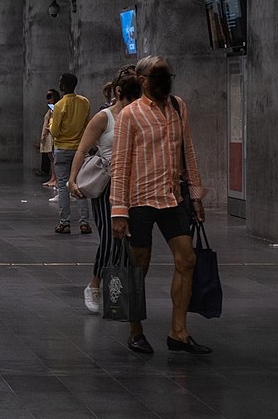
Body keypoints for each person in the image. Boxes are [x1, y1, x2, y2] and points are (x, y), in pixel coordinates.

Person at [110, 56, 210, 356]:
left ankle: (178, 332)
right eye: (158, 76)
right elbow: (120, 164)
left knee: (187, 259)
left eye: (168, 75)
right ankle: (135, 330)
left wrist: (195, 194)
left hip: (172, 197)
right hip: (139, 200)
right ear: (143, 80)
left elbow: (188, 151)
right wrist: (118, 211)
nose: (165, 82)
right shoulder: (130, 115)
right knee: (139, 267)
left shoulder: (178, 106)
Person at [70, 67, 140, 314]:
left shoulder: (138, 115)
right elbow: (82, 149)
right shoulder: (104, 117)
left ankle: (119, 290)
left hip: (133, 183)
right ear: (119, 92)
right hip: (107, 182)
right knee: (110, 238)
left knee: (129, 239)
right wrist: (72, 180)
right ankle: (94, 285)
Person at [50, 73, 92, 235]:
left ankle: (65, 223)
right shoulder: (84, 102)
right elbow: (87, 125)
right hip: (79, 149)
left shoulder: (59, 105)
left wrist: (51, 123)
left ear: (63, 86)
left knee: (63, 186)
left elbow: (55, 132)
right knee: (79, 185)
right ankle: (84, 223)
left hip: (62, 148)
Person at [36, 89, 58, 181]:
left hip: (50, 134)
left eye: (50, 96)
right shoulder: (51, 108)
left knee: (53, 158)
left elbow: (51, 121)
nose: (48, 99)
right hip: (48, 134)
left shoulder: (54, 108)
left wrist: (44, 134)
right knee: (51, 158)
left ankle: (54, 178)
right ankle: (53, 178)